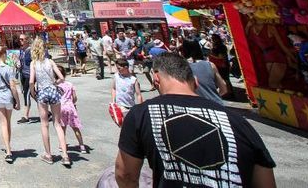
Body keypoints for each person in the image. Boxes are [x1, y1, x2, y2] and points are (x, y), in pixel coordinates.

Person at [115, 53, 277, 188]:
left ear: (156, 78)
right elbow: (266, 182)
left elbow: (125, 176)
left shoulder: (140, 114)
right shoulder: (237, 121)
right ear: (196, 82)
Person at [29, 37, 69, 166]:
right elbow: (62, 77)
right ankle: (65, 155)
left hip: (42, 91)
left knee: (44, 123)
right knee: (57, 124)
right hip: (53, 90)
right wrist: (54, 83)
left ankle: (48, 154)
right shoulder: (50, 62)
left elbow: (31, 81)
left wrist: (32, 91)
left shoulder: (33, 63)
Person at [0, 46, 21, 163]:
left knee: (3, 123)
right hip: (8, 97)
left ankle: (8, 150)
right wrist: (18, 101)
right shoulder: (9, 68)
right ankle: (8, 147)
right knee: (8, 122)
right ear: (4, 55)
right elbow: (13, 86)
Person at [182, 40, 228, 105]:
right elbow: (224, 88)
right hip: (216, 104)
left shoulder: (182, 67)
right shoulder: (211, 65)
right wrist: (213, 96)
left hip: (198, 106)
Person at [56, 66, 87, 154]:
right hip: (70, 106)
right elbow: (75, 97)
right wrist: (72, 102)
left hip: (60, 107)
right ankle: (82, 146)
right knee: (75, 127)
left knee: (62, 127)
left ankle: (62, 145)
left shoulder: (56, 86)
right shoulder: (69, 84)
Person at [17, 34, 34, 122]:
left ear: (27, 40)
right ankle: (45, 109)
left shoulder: (30, 50)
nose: (20, 41)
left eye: (22, 39)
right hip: (23, 74)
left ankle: (26, 115)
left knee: (26, 94)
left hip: (29, 75)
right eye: (19, 39)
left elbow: (33, 62)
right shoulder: (22, 50)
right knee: (31, 93)